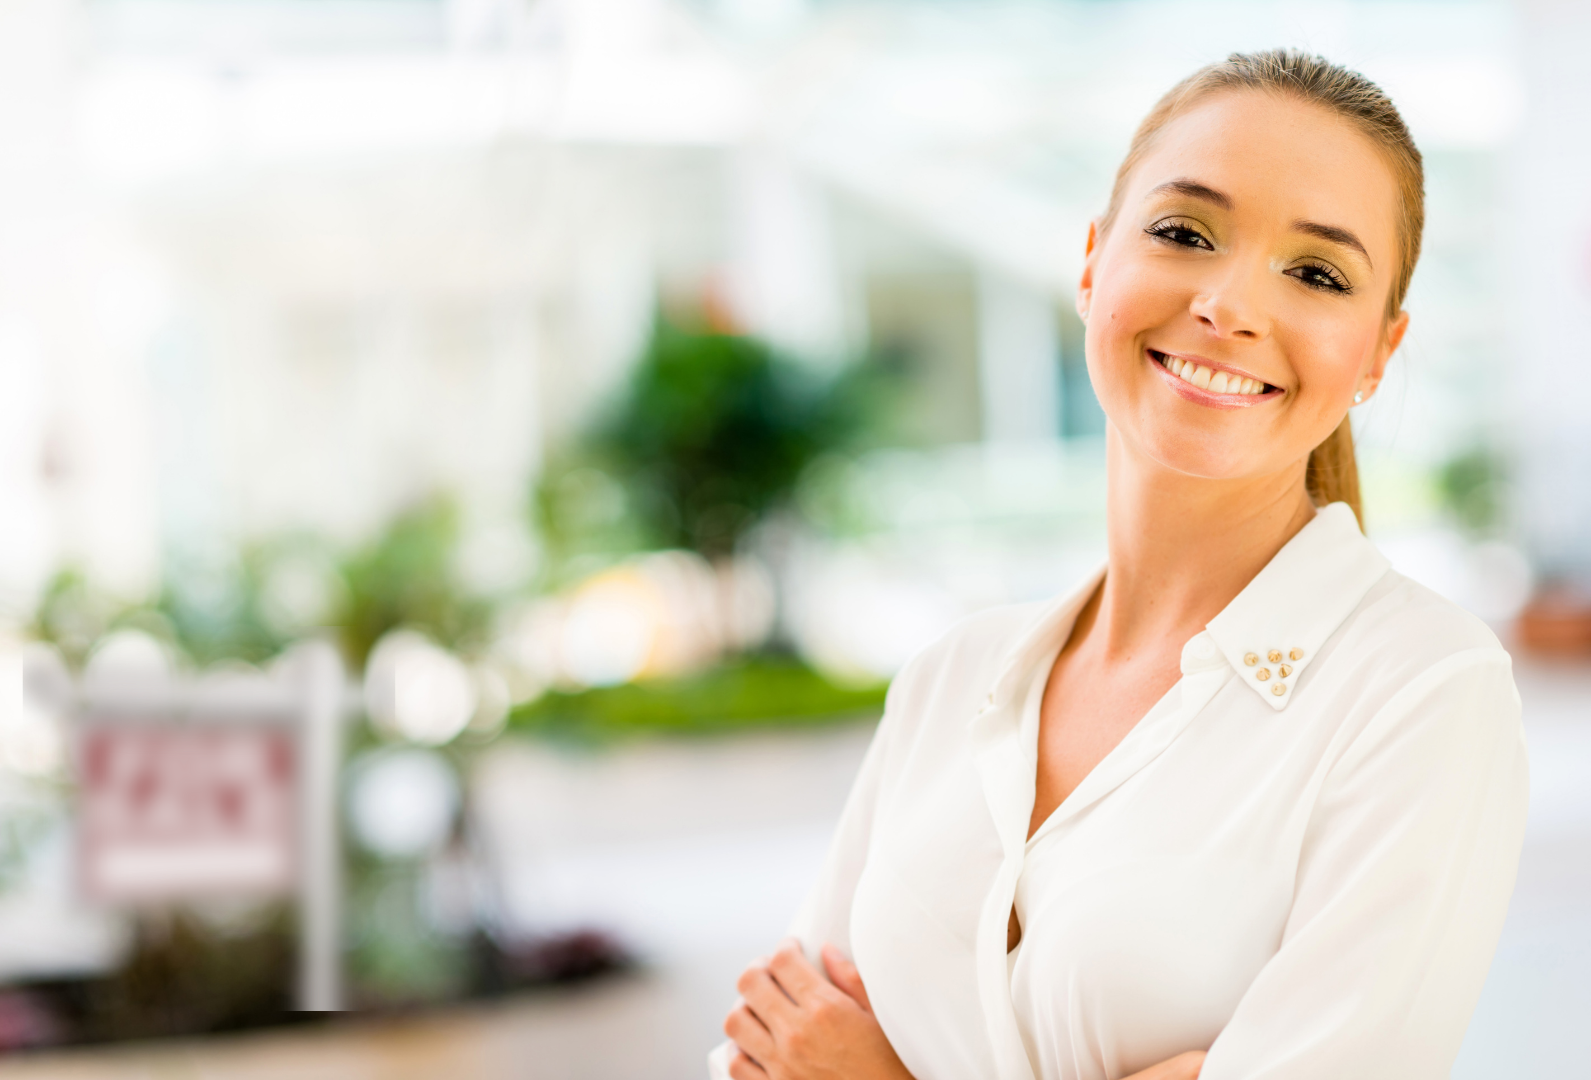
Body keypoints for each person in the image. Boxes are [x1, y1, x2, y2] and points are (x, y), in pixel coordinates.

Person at [709, 49, 1529, 1080]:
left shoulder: (1421, 692)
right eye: (1184, 233)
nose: (1231, 305)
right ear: (1094, 259)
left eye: (1316, 272)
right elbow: (760, 1053)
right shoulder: (951, 678)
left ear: (1378, 351)